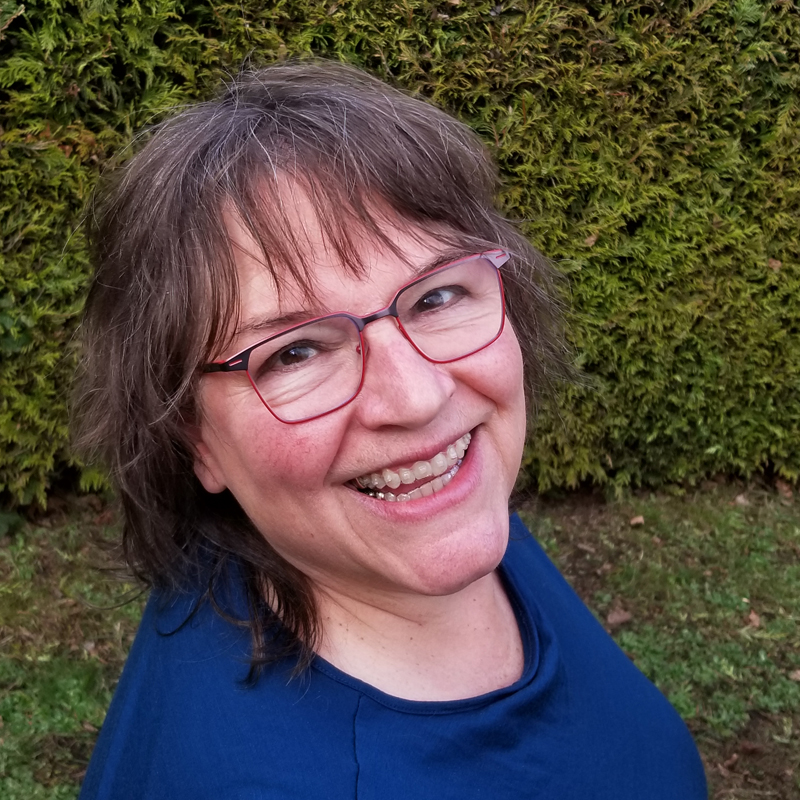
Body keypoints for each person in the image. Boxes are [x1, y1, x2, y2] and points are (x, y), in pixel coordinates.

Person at [73, 60, 707, 799]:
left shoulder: (414, 522)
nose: (419, 396)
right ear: (196, 439)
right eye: (295, 352)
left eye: (436, 296)